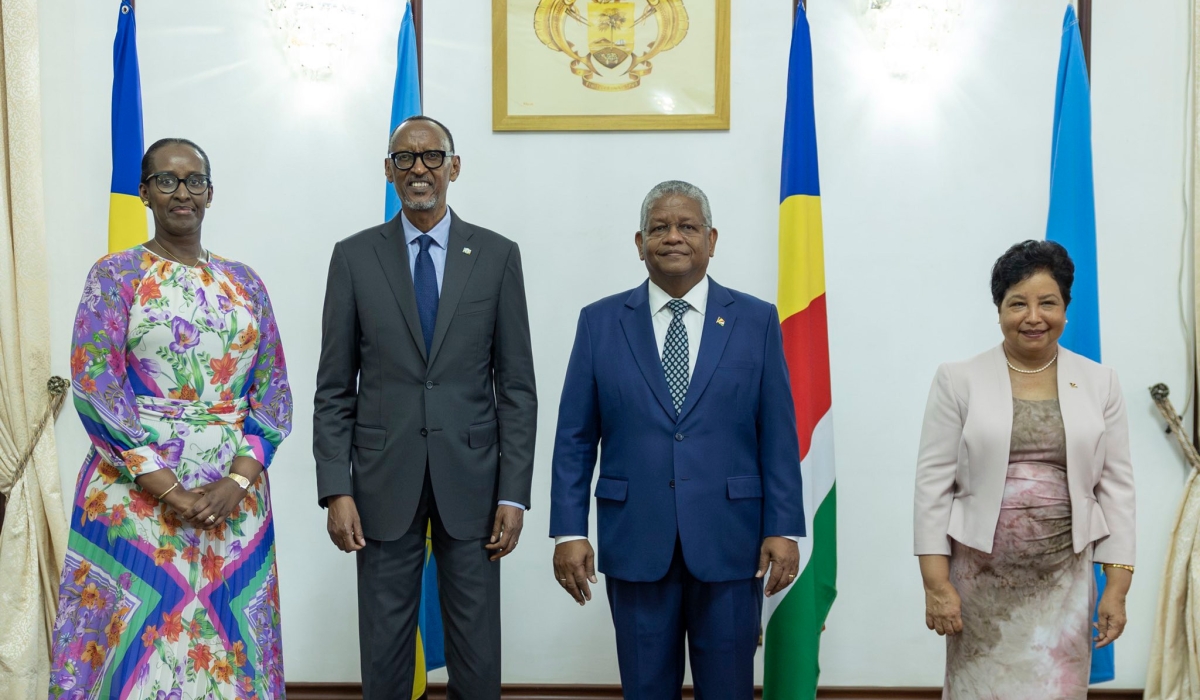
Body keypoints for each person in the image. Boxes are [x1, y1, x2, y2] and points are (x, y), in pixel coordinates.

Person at [48, 139, 293, 699]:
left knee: (225, 645)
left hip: (233, 504)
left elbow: (274, 394)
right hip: (133, 497)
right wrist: (167, 488)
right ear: (144, 192)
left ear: (210, 193)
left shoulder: (246, 283)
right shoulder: (116, 276)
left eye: (194, 181)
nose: (182, 193)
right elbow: (95, 384)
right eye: (167, 181)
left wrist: (236, 482)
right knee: (132, 649)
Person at [549, 180, 804, 700]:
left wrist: (784, 527)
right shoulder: (599, 322)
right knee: (645, 690)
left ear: (711, 239)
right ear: (639, 243)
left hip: (731, 542)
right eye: (659, 227)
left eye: (687, 226)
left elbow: (777, 433)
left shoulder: (756, 320)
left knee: (729, 691)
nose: (673, 237)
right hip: (636, 539)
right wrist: (568, 531)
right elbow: (575, 436)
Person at [313, 115, 537, 700]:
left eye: (432, 157)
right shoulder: (354, 257)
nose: (419, 168)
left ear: (454, 167)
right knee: (384, 645)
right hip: (383, 482)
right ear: (388, 171)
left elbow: (516, 387)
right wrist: (337, 489)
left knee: (476, 645)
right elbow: (335, 388)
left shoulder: (497, 255)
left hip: (475, 481)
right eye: (405, 159)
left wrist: (513, 492)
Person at [913, 240, 1136, 698]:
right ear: (999, 310)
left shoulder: (1099, 382)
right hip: (980, 585)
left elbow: (1116, 489)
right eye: (1018, 303)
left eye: (1047, 303)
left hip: (1065, 583)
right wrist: (936, 584)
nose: (1033, 317)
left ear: (1065, 308)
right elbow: (932, 487)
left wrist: (1117, 586)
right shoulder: (959, 380)